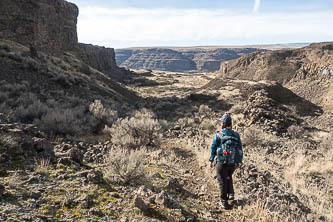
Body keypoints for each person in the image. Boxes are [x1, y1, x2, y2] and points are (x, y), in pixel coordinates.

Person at [209, 113, 243, 209]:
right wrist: (239, 161)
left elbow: (213, 147)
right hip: (232, 162)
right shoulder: (236, 134)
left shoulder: (218, 134)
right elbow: (240, 149)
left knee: (221, 180)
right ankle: (231, 194)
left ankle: (224, 202)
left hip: (221, 161)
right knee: (228, 176)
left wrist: (211, 159)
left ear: (223, 123)